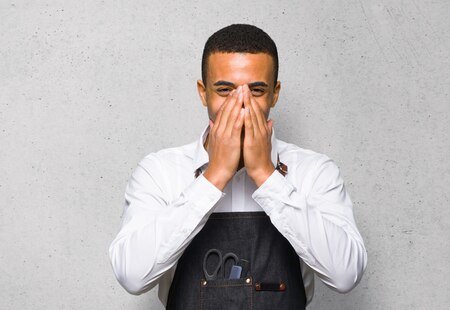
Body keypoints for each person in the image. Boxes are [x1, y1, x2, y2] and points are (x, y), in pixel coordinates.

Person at [108, 24, 367, 309]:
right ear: (203, 93)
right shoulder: (160, 171)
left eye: (256, 90)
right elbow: (132, 277)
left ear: (275, 93)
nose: (241, 105)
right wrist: (213, 177)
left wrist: (266, 176)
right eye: (224, 90)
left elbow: (346, 275)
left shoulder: (315, 171)